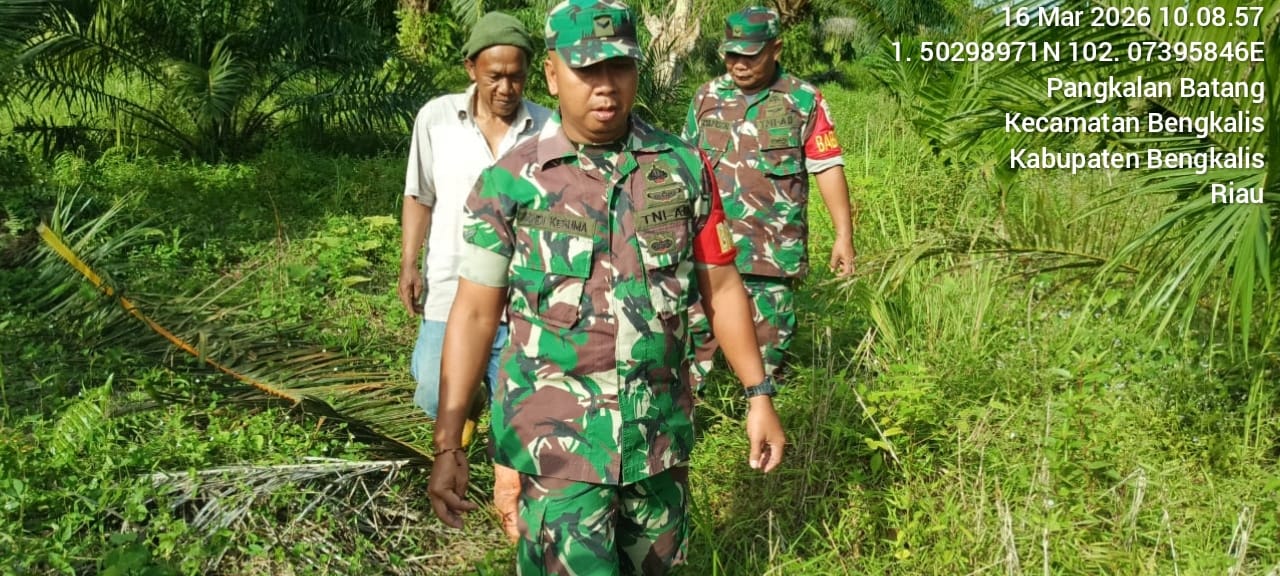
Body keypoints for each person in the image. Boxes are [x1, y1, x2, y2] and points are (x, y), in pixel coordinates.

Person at [426, 1, 787, 573]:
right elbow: (473, 314)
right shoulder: (509, 184)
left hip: (658, 442)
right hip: (557, 455)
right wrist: (450, 443)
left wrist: (758, 393)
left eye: (618, 67)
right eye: (585, 70)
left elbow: (721, 287)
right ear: (551, 73)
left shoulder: (683, 168)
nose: (604, 87)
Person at [397, 10, 551, 543]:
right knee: (434, 392)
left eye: (517, 76)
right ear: (471, 67)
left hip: (523, 301)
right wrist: (408, 263)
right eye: (495, 76)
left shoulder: (550, 128)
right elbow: (420, 194)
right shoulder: (436, 119)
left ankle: (510, 496)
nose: (507, 87)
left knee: (521, 404)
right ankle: (458, 437)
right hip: (449, 290)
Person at [682, 6, 856, 393]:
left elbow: (827, 166)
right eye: (731, 54)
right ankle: (692, 437)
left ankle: (759, 436)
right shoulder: (706, 97)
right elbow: (686, 168)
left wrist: (843, 235)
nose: (739, 64)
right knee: (693, 358)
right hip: (708, 252)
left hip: (771, 256)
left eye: (750, 54)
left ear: (775, 48)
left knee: (766, 366)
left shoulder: (803, 100)